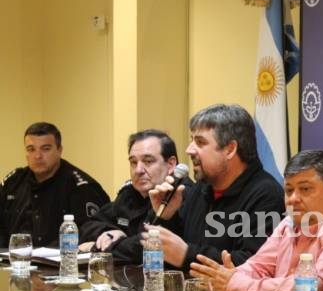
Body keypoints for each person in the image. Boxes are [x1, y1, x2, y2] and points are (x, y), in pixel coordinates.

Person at [189, 149, 323, 291]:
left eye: (305, 189)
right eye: (289, 190)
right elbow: (259, 266)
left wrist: (235, 285)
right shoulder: (291, 222)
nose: (293, 199)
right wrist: (228, 276)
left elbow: (316, 289)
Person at [146, 104, 285, 271]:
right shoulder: (200, 188)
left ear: (230, 149)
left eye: (200, 142)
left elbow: (252, 263)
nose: (189, 150)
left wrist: (188, 255)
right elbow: (168, 258)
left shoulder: (266, 194)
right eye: (192, 141)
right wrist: (166, 217)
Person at [0, 122, 110, 248]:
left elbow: (92, 233)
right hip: (12, 262)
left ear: (59, 150)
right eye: (31, 149)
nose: (37, 156)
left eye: (45, 149)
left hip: (59, 263)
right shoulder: (13, 182)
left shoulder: (81, 187)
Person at [79, 129, 181, 263]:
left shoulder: (180, 195)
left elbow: (148, 246)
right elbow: (89, 226)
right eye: (133, 162)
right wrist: (111, 232)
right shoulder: (130, 193)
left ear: (171, 164)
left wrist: (96, 247)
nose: (138, 170)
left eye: (148, 161)